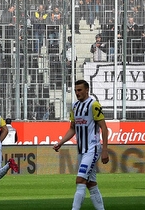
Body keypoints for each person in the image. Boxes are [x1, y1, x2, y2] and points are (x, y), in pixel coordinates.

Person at [53, 80, 109, 210]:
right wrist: (60, 143)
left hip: (92, 148)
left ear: (86, 90)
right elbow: (72, 128)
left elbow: (104, 128)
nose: (77, 93)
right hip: (81, 150)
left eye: (80, 90)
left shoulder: (94, 105)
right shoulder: (75, 106)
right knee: (91, 183)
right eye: (76, 90)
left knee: (80, 180)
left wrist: (105, 150)